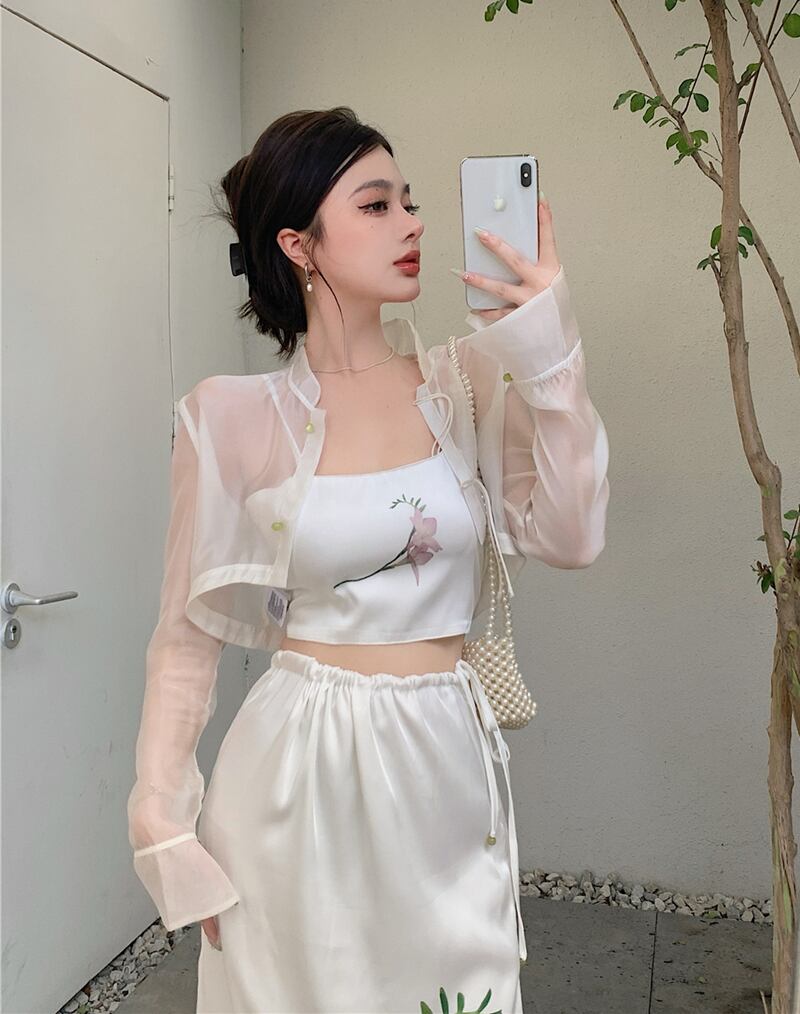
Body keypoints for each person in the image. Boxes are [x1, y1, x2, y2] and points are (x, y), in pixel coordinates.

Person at [126, 106, 610, 1014]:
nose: (413, 224)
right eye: (377, 205)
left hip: (445, 764)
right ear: (298, 245)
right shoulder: (232, 418)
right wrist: (163, 822)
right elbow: (184, 640)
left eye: (411, 202)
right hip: (294, 778)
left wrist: (550, 350)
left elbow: (571, 536)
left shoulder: (465, 381)